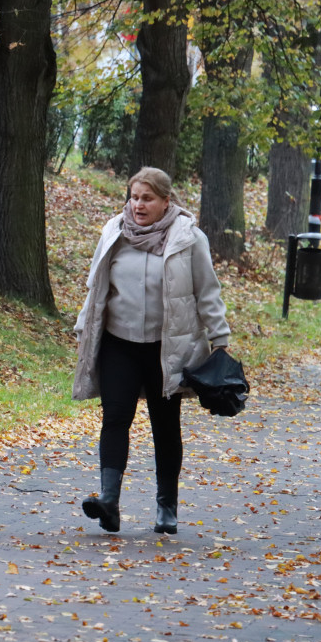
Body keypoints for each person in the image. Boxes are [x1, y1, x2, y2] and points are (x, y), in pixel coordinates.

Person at [72, 166, 230, 535]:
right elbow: (97, 287)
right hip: (118, 342)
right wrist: (84, 328)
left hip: (166, 347)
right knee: (115, 418)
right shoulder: (114, 231)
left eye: (147, 198)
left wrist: (220, 339)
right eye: (134, 197)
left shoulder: (189, 239)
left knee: (165, 424)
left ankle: (167, 507)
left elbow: (207, 292)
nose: (138, 205)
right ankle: (108, 502)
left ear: (165, 202)